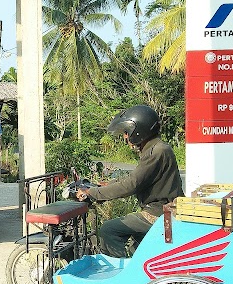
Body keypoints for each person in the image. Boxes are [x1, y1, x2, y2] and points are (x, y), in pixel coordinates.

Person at [76, 105, 183, 258]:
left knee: (108, 230)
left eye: (127, 132)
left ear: (140, 130)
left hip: (159, 213)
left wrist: (93, 193)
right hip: (161, 210)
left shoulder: (156, 152)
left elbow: (131, 185)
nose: (125, 137)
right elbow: (137, 177)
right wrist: (108, 184)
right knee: (135, 243)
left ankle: (119, 275)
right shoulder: (156, 148)